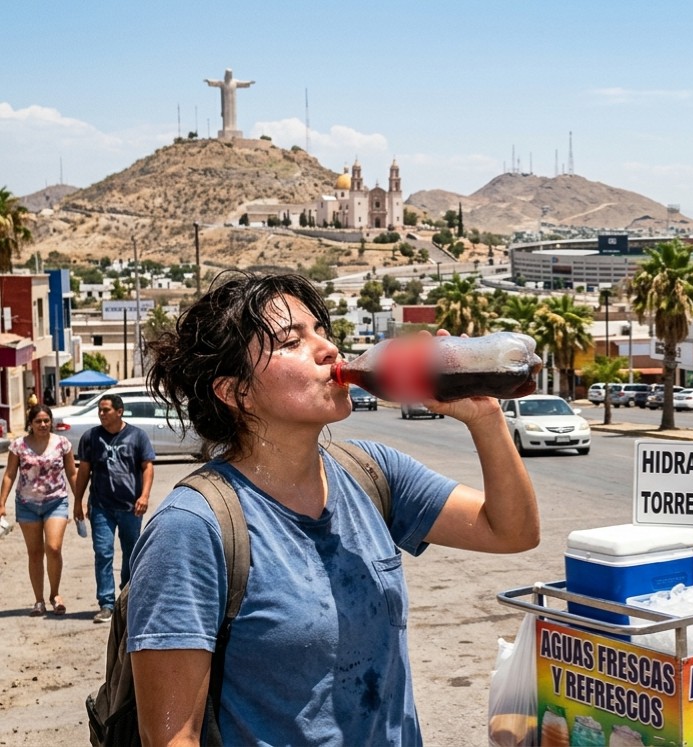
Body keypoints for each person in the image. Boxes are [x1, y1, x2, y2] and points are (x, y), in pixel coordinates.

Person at [129, 271, 539, 745]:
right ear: (235, 392)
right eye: (291, 341)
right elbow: (171, 736)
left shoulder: (372, 472)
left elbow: (512, 532)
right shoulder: (193, 528)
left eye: (321, 331)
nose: (328, 349)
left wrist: (483, 413)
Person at [72, 394, 156, 624]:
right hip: (101, 507)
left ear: (119, 412)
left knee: (132, 554)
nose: (101, 414)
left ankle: (128, 599)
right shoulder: (91, 437)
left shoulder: (137, 436)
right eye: (100, 410)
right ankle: (106, 604)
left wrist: (145, 495)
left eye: (106, 410)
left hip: (130, 507)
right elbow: (84, 471)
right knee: (103, 553)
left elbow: (147, 467)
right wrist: (78, 501)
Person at [0, 405, 78, 616]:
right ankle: (39, 600)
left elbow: (72, 473)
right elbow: (9, 474)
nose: (43, 425)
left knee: (53, 548)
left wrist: (80, 500)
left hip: (56, 501)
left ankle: (55, 594)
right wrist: (1, 503)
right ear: (31, 424)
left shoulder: (62, 443)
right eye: (38, 421)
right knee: (34, 553)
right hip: (27, 505)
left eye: (46, 421)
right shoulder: (19, 446)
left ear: (51, 422)